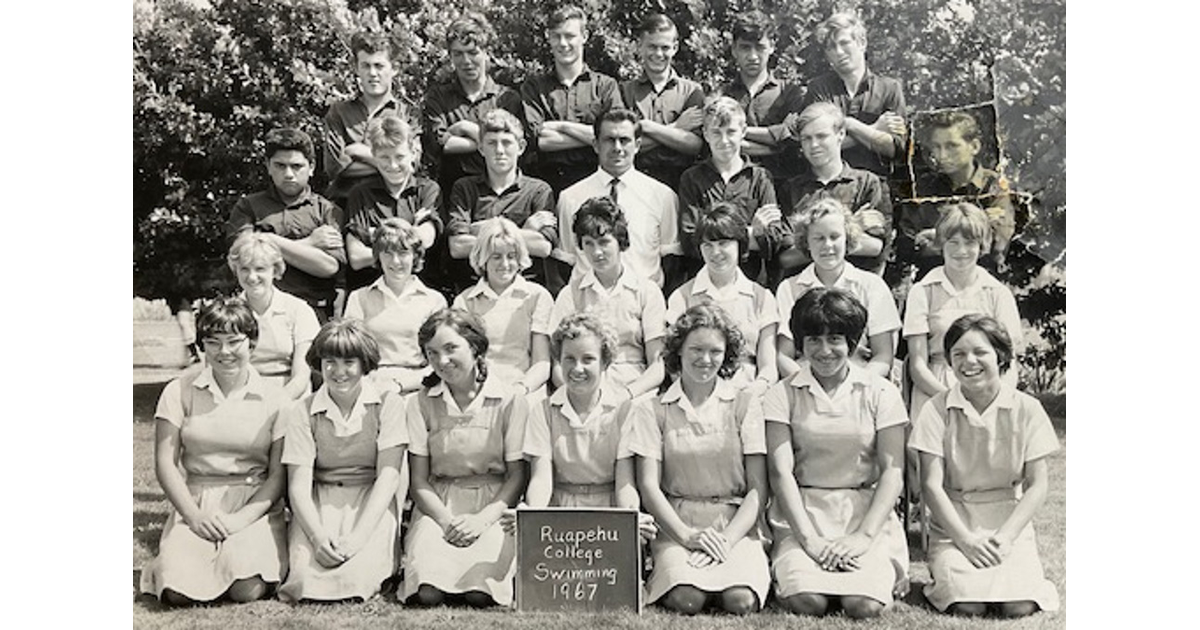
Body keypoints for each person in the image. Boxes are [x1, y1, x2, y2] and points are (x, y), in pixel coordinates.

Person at [764, 288, 909, 619]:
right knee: (807, 602)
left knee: (864, 605)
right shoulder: (780, 395)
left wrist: (862, 537)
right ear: (800, 344)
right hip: (802, 514)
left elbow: (892, 473)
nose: (824, 350)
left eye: (836, 339)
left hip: (864, 514)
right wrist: (809, 540)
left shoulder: (881, 393)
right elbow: (780, 473)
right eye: (813, 339)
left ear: (853, 343)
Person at [908, 314, 1060, 617]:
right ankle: (947, 574)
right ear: (949, 362)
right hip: (954, 525)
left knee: (1020, 604)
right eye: (959, 354)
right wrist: (965, 540)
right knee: (966, 604)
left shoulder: (1027, 409)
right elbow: (931, 485)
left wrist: (1005, 537)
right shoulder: (936, 410)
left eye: (980, 352)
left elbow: (1037, 484)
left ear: (1001, 356)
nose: (969, 362)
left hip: (1007, 522)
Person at [140, 298, 288, 606]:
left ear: (253, 343)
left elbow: (278, 475)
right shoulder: (178, 390)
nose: (224, 352)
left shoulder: (276, 397)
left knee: (244, 588)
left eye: (234, 342)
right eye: (213, 342)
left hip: (253, 504)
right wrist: (193, 516)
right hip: (197, 501)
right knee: (177, 592)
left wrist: (241, 520)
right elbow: (165, 463)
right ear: (201, 346)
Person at [629, 304, 770, 614]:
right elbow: (649, 486)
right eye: (696, 349)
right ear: (678, 350)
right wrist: (687, 536)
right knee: (687, 599)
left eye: (715, 351)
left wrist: (727, 540)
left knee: (740, 601)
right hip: (678, 524)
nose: (705, 360)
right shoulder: (652, 410)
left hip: (735, 526)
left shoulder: (745, 403)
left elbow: (758, 489)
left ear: (727, 354)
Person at [399, 309, 529, 608]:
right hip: (440, 505)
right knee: (428, 592)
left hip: (494, 503)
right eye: (432, 353)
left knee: (479, 593)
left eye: (450, 348)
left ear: (475, 346)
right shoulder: (420, 402)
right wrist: (446, 522)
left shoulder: (510, 399)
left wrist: (483, 521)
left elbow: (516, 476)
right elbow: (418, 480)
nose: (441, 361)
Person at [278, 319, 406, 603]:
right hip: (319, 503)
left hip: (371, 501)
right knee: (304, 579)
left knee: (357, 577)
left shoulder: (388, 403)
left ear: (364, 364)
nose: (338, 372)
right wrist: (317, 537)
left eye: (349, 362)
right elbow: (298, 486)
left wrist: (359, 536)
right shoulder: (303, 410)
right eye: (329, 362)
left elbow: (389, 476)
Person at [521, 313, 655, 540]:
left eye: (588, 359)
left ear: (605, 362)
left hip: (609, 515)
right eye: (569, 359)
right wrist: (532, 514)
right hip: (558, 515)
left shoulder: (624, 410)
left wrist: (630, 519)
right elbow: (541, 478)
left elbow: (625, 482)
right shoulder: (542, 411)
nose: (577, 368)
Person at [904, 203, 1023, 426]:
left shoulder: (997, 293)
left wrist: (991, 400)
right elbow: (918, 365)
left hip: (988, 395)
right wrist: (952, 400)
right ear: (941, 244)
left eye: (970, 243)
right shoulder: (922, 291)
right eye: (953, 242)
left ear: (981, 245)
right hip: (935, 393)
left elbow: (1010, 361)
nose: (961, 251)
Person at [553, 108, 681, 294]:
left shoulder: (662, 196)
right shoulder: (570, 197)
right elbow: (566, 261)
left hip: (643, 303)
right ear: (596, 144)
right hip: (588, 304)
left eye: (625, 140)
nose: (617, 148)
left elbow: (671, 260)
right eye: (609, 140)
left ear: (637, 145)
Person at [550, 196, 666, 400]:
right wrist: (581, 395)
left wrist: (627, 394)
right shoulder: (571, 294)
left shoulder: (647, 291)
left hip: (635, 392)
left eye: (604, 242)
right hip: (582, 393)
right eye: (588, 243)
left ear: (620, 242)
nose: (597, 252)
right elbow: (558, 365)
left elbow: (657, 366)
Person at [224, 127, 345, 322]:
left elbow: (329, 266)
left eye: (297, 166)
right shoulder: (248, 206)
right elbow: (243, 255)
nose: (289, 174)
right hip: (259, 311)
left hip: (315, 312)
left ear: (311, 167)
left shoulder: (327, 211)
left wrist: (264, 239)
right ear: (268, 166)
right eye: (280, 166)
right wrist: (310, 243)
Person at [776, 198, 900, 380]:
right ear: (807, 243)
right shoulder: (789, 288)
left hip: (861, 382)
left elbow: (883, 356)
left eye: (835, 237)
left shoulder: (872, 285)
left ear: (848, 238)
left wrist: (855, 388)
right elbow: (784, 355)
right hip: (804, 384)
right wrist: (808, 386)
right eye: (818, 238)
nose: (827, 245)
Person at [666, 203, 778, 398]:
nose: (715, 253)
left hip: (748, 394)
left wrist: (755, 391)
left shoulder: (762, 297)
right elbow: (674, 365)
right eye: (707, 245)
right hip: (697, 395)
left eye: (723, 243)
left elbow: (769, 367)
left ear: (740, 244)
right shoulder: (682, 297)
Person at [677, 96, 787, 291]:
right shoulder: (691, 178)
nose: (724, 140)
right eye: (716, 132)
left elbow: (774, 240)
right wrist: (750, 233)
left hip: (751, 284)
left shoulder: (760, 178)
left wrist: (712, 238)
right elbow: (690, 240)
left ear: (743, 132)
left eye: (731, 132)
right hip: (703, 285)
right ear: (705, 134)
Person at [446, 109, 557, 293]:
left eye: (506, 143)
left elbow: (543, 246)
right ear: (481, 148)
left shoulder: (538, 190)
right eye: (491, 143)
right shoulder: (465, 188)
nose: (499, 150)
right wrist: (523, 231)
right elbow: (457, 246)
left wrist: (480, 230)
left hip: (526, 292)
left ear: (521, 147)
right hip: (475, 290)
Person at [778, 103, 892, 276]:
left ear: (840, 135)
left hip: (854, 290)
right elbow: (787, 257)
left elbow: (874, 247)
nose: (814, 145)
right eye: (806, 138)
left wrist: (810, 241)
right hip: (806, 289)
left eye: (821, 136)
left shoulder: (867, 183)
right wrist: (853, 227)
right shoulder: (791, 189)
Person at [421, 12, 524, 198]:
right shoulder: (438, 96)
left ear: (487, 52)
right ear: (450, 56)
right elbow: (439, 144)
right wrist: (489, 140)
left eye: (473, 52)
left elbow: (515, 147)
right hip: (452, 197)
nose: (466, 61)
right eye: (458, 54)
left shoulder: (507, 98)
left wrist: (464, 127)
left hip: (502, 196)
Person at [520, 4, 620, 195]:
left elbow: (613, 135)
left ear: (585, 36)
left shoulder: (606, 86)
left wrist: (560, 126)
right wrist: (594, 137)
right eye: (557, 36)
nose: (563, 43)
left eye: (570, 36)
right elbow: (538, 140)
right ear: (548, 38)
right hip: (546, 186)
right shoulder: (533, 87)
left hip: (596, 182)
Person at [902, 110, 1016, 276]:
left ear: (974, 146)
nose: (942, 156)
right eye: (936, 147)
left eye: (951, 146)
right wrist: (973, 229)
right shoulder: (925, 187)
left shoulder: (994, 185)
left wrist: (938, 237)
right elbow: (910, 243)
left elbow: (996, 242)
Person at [343, 218, 448, 396]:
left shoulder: (434, 301)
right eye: (387, 253)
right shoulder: (359, 298)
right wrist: (370, 385)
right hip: (370, 386)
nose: (396, 261)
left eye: (403, 253)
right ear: (378, 257)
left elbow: (440, 361)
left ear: (415, 256)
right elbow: (349, 354)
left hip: (419, 387)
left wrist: (400, 385)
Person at [452, 217, 554, 398]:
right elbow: (463, 362)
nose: (505, 264)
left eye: (511, 256)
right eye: (496, 256)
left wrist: (520, 390)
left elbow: (542, 363)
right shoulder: (464, 302)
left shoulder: (538, 296)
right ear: (483, 259)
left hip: (525, 393)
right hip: (479, 393)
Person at [800, 12, 907, 180]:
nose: (839, 52)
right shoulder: (819, 88)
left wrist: (848, 125)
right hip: (830, 185)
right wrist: (873, 129)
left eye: (844, 43)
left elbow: (894, 149)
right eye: (831, 47)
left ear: (862, 43)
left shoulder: (889, 88)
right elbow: (817, 147)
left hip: (878, 186)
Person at [343, 115, 442, 293]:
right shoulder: (360, 194)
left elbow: (427, 239)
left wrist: (373, 235)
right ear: (373, 155)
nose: (393, 165)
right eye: (384, 158)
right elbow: (356, 258)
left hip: (423, 293)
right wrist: (411, 235)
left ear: (413, 152)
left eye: (400, 156)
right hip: (372, 292)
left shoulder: (428, 190)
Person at [226, 233, 320, 400]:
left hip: (289, 400)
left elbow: (301, 377)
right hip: (240, 399)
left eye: (260, 269)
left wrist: (275, 404)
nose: (252, 277)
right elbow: (219, 371)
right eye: (244, 269)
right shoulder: (227, 313)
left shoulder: (298, 310)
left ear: (275, 271)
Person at [718, 9, 806, 185]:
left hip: (782, 185)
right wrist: (775, 146)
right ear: (734, 49)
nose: (753, 56)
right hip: (735, 187)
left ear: (772, 46)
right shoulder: (722, 95)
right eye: (745, 47)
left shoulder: (791, 93)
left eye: (760, 47)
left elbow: (790, 136)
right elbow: (716, 141)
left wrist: (736, 132)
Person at [620, 13, 705, 190]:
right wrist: (676, 128)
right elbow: (623, 145)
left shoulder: (692, 91)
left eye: (665, 47)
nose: (658, 54)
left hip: (680, 183)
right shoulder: (624, 90)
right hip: (636, 182)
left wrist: (647, 128)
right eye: (652, 46)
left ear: (675, 47)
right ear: (640, 47)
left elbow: (695, 145)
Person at [323, 31, 406, 208]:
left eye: (379, 66)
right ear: (356, 67)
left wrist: (358, 152)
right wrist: (388, 165)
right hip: (343, 204)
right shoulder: (338, 112)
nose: (372, 73)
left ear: (394, 68)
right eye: (366, 66)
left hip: (390, 205)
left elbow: (410, 165)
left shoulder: (406, 114)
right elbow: (335, 168)